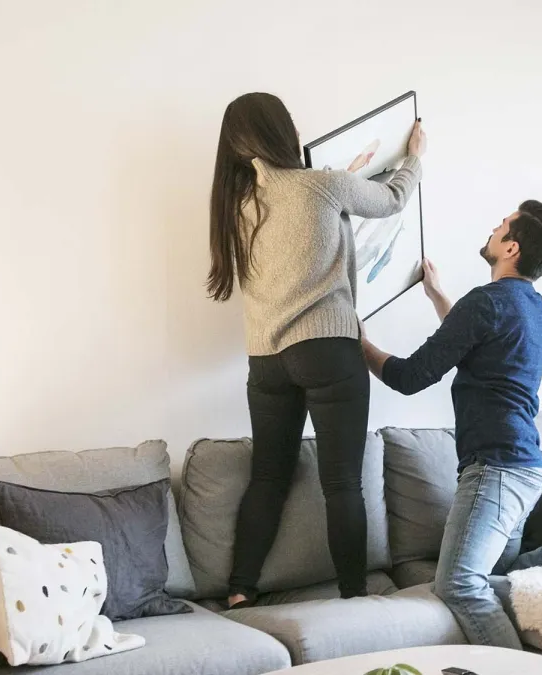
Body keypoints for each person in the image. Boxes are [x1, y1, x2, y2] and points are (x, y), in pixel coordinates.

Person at [360, 202, 542, 649]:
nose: (492, 228)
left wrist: (359, 344)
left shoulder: (485, 303)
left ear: (511, 246)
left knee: (459, 585)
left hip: (496, 469)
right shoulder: (533, 309)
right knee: (498, 578)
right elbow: (473, 339)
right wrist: (436, 294)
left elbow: (409, 377)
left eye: (500, 225)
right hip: (526, 469)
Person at [207, 92, 426, 608]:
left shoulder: (236, 210)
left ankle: (240, 589)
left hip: (265, 360)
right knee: (342, 483)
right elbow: (392, 198)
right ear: (283, 131)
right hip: (326, 349)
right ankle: (354, 598)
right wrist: (414, 155)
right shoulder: (320, 186)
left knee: (268, 477)